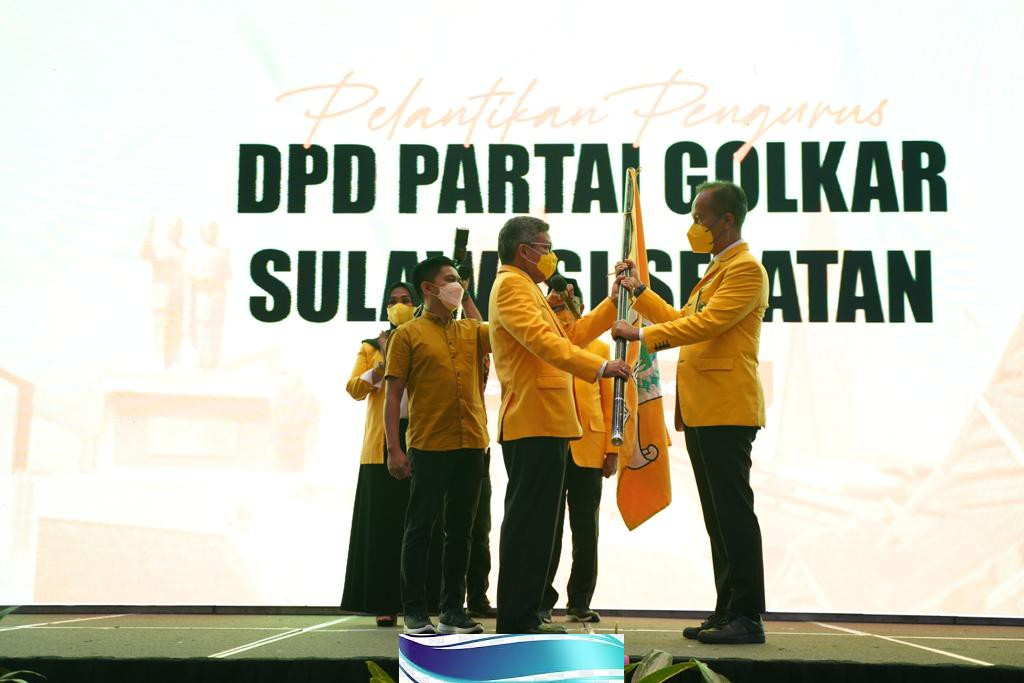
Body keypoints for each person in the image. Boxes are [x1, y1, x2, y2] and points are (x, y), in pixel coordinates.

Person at [612, 180, 769, 645]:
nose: (694, 227)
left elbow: (708, 324)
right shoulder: (718, 269)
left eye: (701, 219)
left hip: (728, 408)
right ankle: (727, 609)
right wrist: (640, 293)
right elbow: (684, 318)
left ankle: (747, 615)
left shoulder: (746, 269)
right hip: (704, 409)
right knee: (718, 517)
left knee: (734, 514)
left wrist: (641, 335)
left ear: (727, 220)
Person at [488, 216, 631, 634]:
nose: (551, 256)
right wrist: (601, 367)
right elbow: (544, 342)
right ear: (524, 251)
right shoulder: (512, 286)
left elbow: (569, 339)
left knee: (541, 528)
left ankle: (529, 614)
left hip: (547, 421)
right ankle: (518, 618)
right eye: (545, 248)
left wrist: (611, 304)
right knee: (530, 526)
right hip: (533, 419)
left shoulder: (527, 287)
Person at [385, 256, 491, 635]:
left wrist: (468, 296)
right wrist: (394, 449)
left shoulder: (470, 330)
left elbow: (491, 332)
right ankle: (415, 612)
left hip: (472, 442)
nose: (456, 284)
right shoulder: (407, 334)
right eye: (450, 279)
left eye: (458, 279)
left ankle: (452, 610)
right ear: (429, 288)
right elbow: (392, 396)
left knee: (462, 531)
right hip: (429, 444)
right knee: (420, 529)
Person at [340, 282, 422, 627]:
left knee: (418, 529)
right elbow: (354, 388)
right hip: (381, 446)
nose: (399, 306)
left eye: (405, 300)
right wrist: (384, 362)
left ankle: (418, 604)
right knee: (383, 530)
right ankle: (383, 603)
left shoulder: (426, 339)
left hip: (422, 439)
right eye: (392, 301)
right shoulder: (371, 346)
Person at [539, 278, 618, 625]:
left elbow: (611, 402)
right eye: (553, 307)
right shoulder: (544, 343)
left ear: (581, 309)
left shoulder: (600, 348)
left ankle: (580, 601)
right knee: (548, 529)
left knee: (586, 531)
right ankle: (542, 600)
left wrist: (613, 448)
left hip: (590, 447)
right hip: (552, 446)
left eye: (564, 306)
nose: (560, 313)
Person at [140, 217, 185, 369]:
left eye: (179, 228)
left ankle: (173, 361)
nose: (176, 231)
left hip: (178, 297)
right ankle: (159, 362)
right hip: (162, 296)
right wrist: (149, 233)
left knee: (176, 330)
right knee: (161, 329)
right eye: (173, 228)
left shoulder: (183, 251)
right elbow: (145, 254)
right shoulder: (158, 247)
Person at [187, 221, 231, 370]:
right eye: (208, 230)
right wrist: (202, 278)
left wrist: (217, 279)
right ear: (202, 233)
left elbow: (228, 274)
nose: (211, 233)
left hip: (217, 295)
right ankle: (201, 361)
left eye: (213, 230)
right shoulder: (195, 253)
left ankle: (213, 361)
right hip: (202, 295)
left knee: (216, 328)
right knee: (202, 327)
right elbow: (190, 274)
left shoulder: (223, 253)